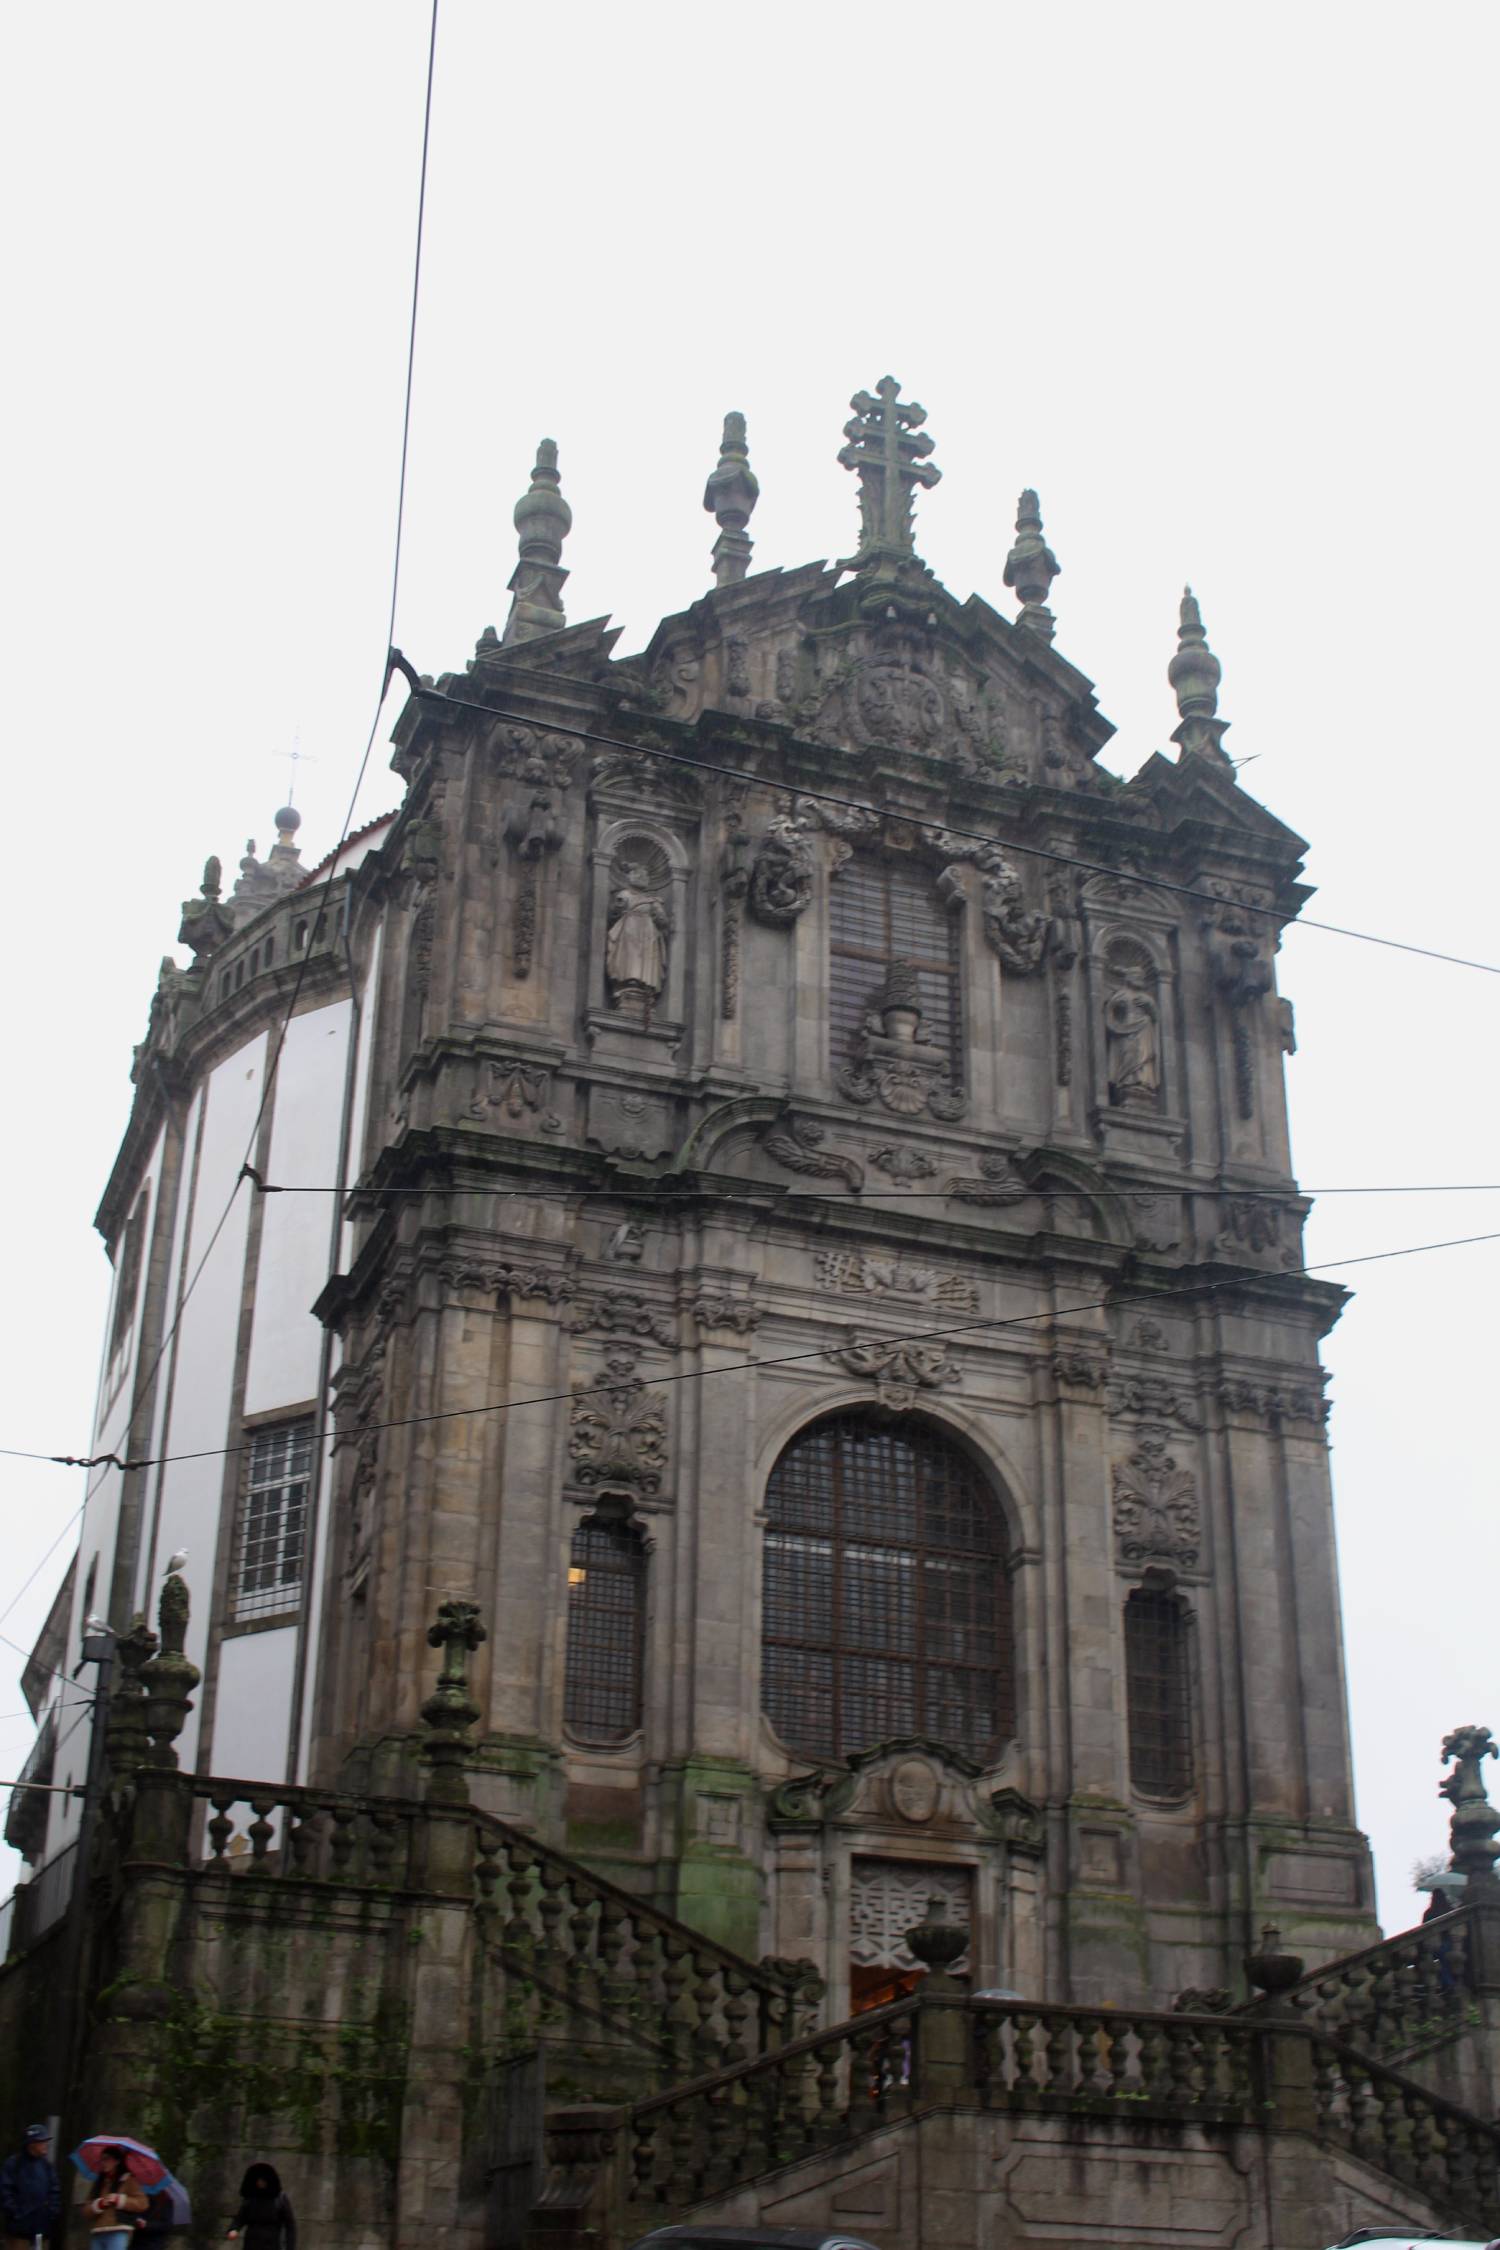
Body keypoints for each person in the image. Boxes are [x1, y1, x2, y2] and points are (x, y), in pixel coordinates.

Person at [0, 2124, 60, 2250]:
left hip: (42, 2231)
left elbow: (55, 2191)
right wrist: (16, 2214)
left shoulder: (47, 2166)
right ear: (32, 2144)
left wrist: (51, 2212)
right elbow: (5, 2192)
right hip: (18, 2232)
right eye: (42, 2141)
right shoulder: (13, 2164)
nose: (46, 2145)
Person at [81, 2148, 146, 2250]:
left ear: (117, 2161)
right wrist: (99, 2204)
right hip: (98, 2231)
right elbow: (85, 2210)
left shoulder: (128, 2179)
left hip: (118, 2230)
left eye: (107, 2159)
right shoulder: (99, 2182)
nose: (103, 2163)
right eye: (102, 2159)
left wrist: (119, 2200)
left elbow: (142, 2203)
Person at [227, 2164, 294, 2250]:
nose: (260, 2182)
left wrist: (290, 2247)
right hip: (251, 2244)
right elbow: (240, 2218)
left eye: (262, 2180)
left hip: (272, 2245)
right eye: (258, 2180)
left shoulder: (280, 2199)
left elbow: (290, 2226)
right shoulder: (251, 2198)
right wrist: (233, 2229)